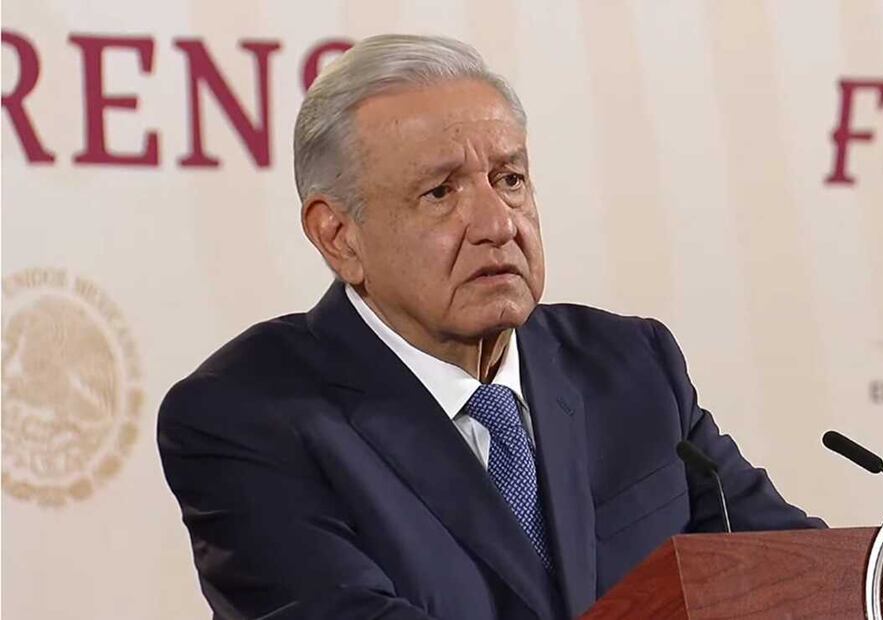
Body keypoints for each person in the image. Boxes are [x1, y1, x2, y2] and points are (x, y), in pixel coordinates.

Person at [158, 34, 824, 620]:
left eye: (509, 179)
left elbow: (796, 574)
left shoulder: (631, 366)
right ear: (338, 235)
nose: (498, 224)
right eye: (440, 192)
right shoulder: (245, 417)